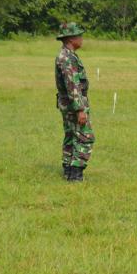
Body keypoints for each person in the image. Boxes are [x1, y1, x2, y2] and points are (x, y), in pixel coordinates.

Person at [54, 22, 94, 182]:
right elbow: (73, 85)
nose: (81, 38)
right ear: (71, 39)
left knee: (71, 136)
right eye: (79, 35)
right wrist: (80, 109)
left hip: (67, 103)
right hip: (73, 105)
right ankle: (76, 174)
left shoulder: (66, 55)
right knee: (85, 137)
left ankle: (68, 171)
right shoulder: (67, 58)